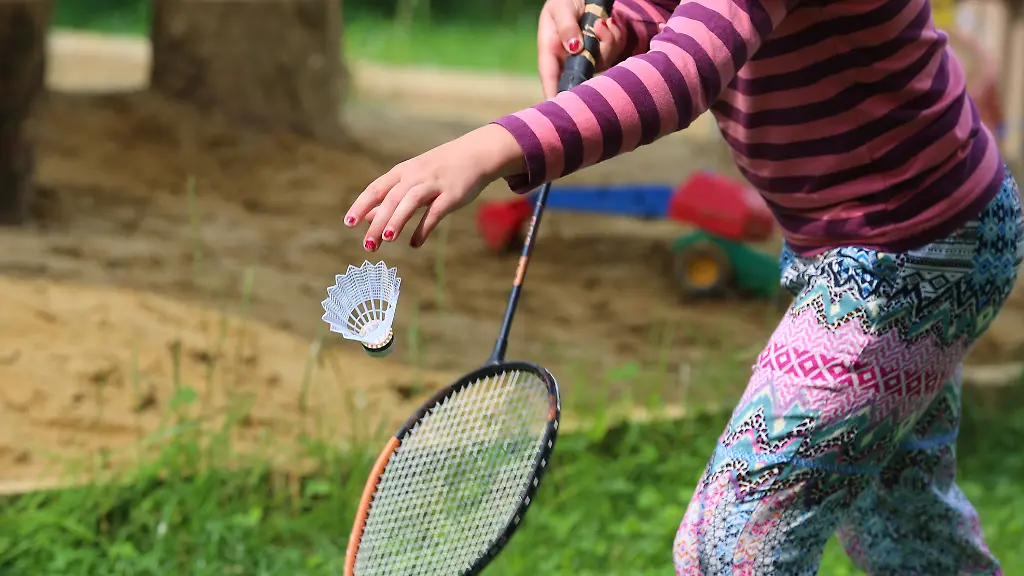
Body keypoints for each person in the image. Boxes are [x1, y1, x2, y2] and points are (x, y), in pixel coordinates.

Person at [343, 0, 1022, 573]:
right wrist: (624, 21)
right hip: (913, 234)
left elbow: (678, 78)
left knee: (731, 547)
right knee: (906, 528)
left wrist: (488, 147)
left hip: (906, 258)